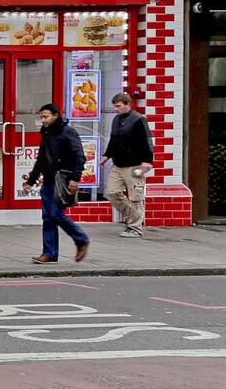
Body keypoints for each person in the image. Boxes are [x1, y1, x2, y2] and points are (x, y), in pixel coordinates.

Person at [21, 102, 89, 264]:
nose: (43, 120)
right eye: (41, 117)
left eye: (46, 117)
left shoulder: (67, 132)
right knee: (48, 217)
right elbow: (42, 158)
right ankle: (49, 253)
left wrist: (75, 179)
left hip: (63, 180)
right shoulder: (47, 132)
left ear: (55, 116)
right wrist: (31, 180)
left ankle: (81, 239)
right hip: (49, 181)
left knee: (56, 215)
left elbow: (79, 157)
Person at [104, 91, 153, 237]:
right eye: (115, 106)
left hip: (134, 164)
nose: (116, 109)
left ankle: (135, 227)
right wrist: (106, 155)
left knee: (136, 197)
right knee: (111, 192)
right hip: (118, 163)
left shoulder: (138, 120)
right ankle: (132, 217)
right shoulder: (116, 120)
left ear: (127, 105)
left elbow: (147, 141)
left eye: (118, 106)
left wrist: (147, 161)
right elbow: (113, 140)